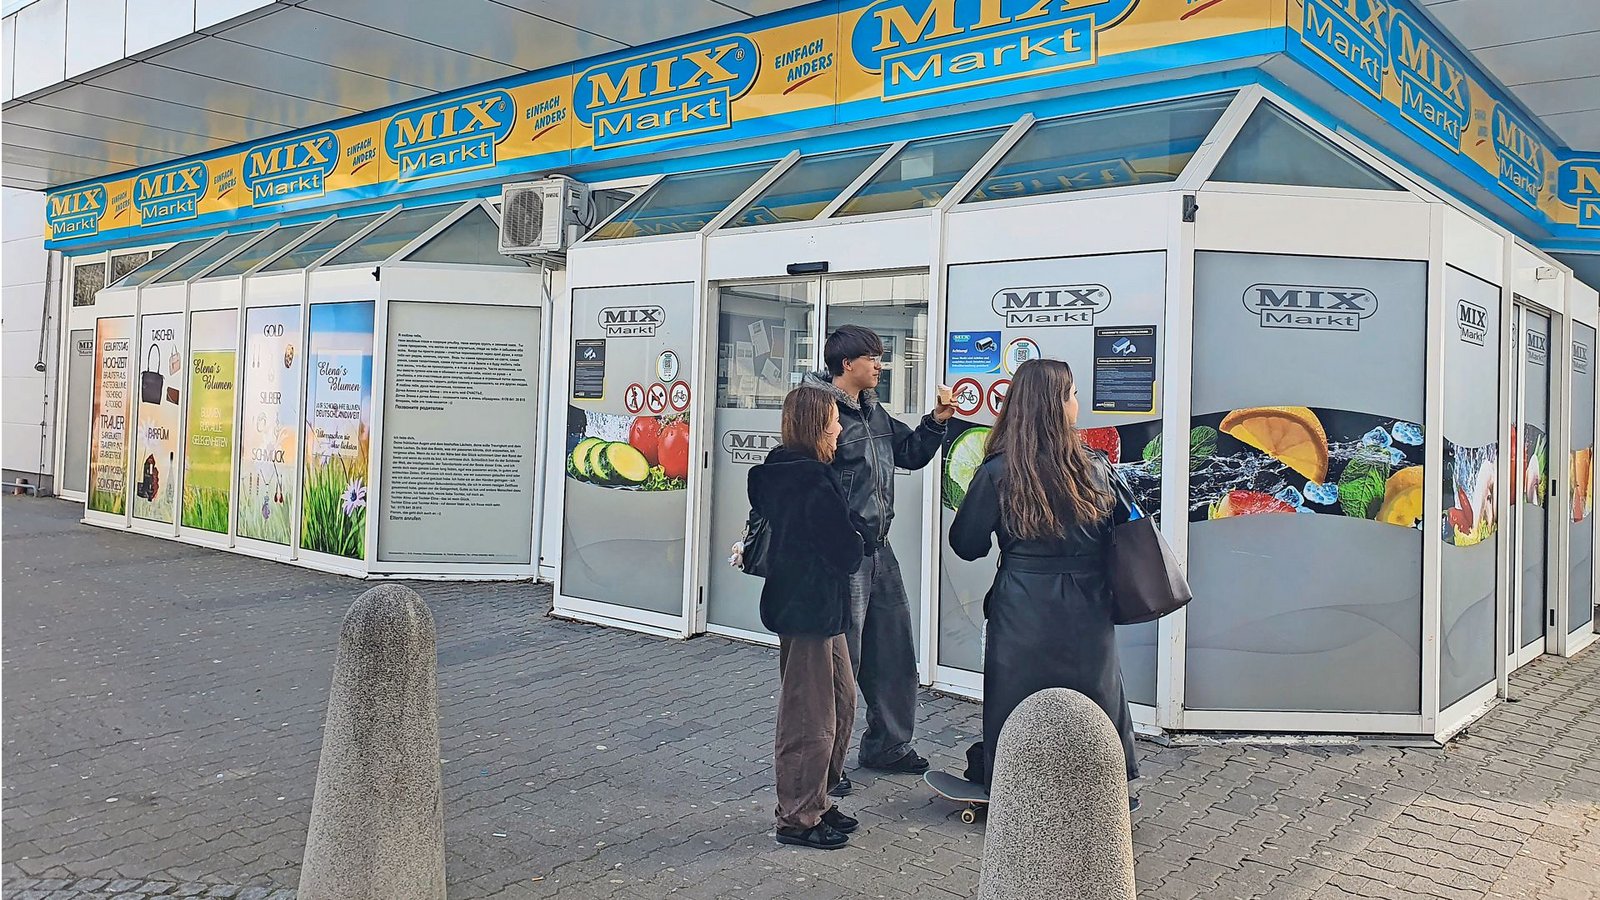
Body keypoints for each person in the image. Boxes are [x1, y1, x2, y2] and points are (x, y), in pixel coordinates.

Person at [947, 358, 1140, 809]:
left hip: (1022, 604)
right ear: (1056, 404)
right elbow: (1126, 531)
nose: (1078, 403)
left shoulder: (998, 470)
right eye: (1072, 394)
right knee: (1097, 693)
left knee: (1015, 696)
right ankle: (1109, 785)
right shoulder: (1096, 466)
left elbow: (967, 544)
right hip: (1090, 603)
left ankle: (1011, 785)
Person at [804, 325, 955, 794]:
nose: (881, 365)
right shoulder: (820, 413)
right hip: (844, 555)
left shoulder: (874, 411)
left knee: (892, 650)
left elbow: (910, 455)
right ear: (847, 364)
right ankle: (827, 765)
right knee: (840, 663)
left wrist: (937, 420)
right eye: (874, 358)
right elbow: (806, 483)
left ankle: (887, 745)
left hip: (879, 550)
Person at [748, 386, 871, 849]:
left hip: (819, 609)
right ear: (817, 426)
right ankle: (797, 816)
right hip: (809, 611)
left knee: (840, 702)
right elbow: (843, 548)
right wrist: (859, 540)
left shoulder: (790, 474)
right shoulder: (811, 481)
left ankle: (816, 798)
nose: (840, 429)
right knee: (809, 715)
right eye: (834, 421)